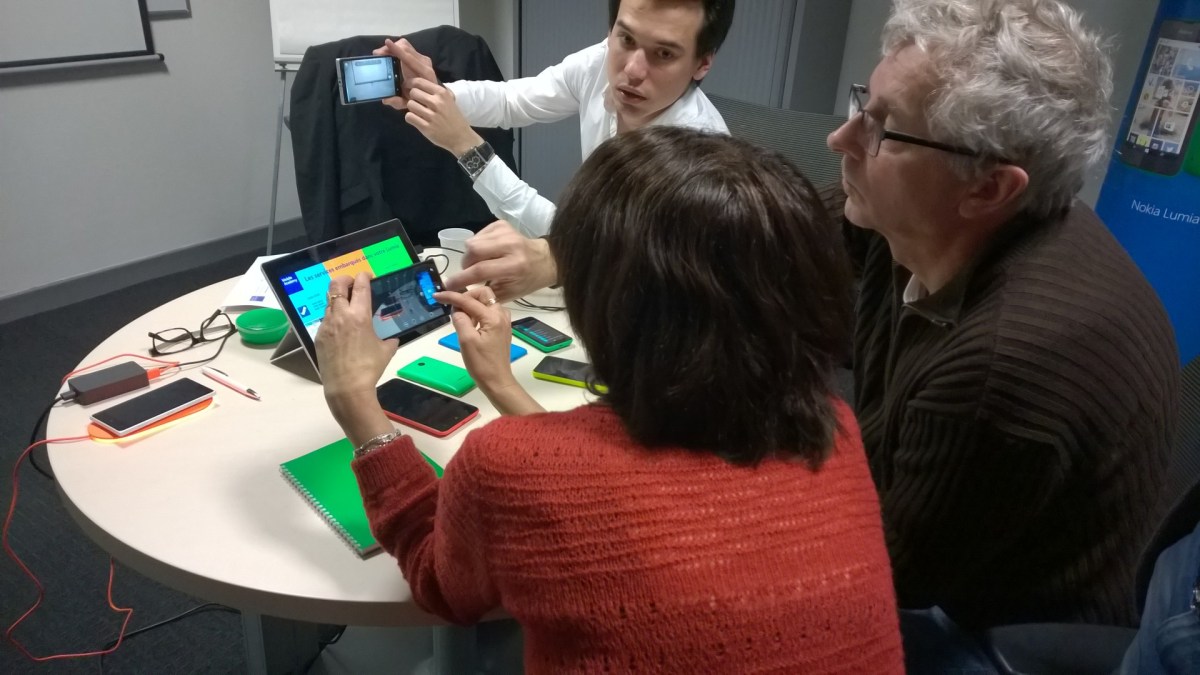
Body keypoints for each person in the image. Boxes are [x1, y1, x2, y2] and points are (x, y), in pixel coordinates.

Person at [314, 126, 905, 673]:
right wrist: (501, 383)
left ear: (610, 305)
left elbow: (441, 584)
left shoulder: (503, 466)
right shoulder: (834, 427)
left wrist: (355, 400)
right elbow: (605, 488)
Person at [822, 0, 1180, 667]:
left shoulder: (1005, 364)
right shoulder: (928, 214)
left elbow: (879, 572)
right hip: (917, 517)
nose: (840, 139)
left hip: (1002, 635)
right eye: (863, 105)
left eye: (884, 130)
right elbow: (775, 236)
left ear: (989, 189)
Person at [376, 0, 734, 239]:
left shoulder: (695, 160)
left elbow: (588, 245)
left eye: (664, 53)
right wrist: (434, 92)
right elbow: (512, 101)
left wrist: (467, 147)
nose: (633, 70)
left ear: (703, 63)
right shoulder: (600, 62)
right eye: (626, 38)